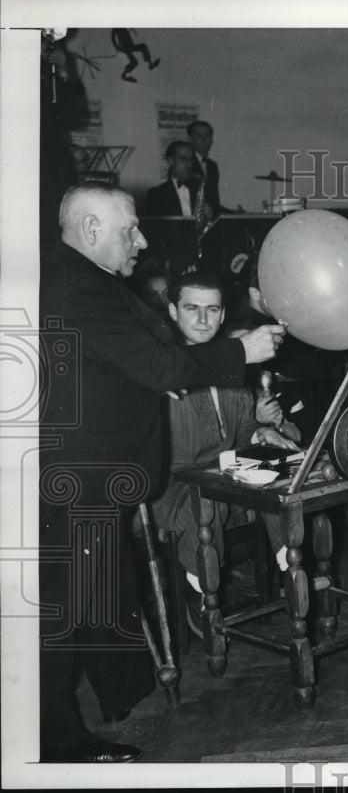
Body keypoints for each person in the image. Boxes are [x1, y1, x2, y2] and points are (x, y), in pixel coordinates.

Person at [39, 182, 284, 762]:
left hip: (91, 476)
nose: (143, 240)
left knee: (89, 601)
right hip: (77, 475)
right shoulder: (77, 283)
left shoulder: (89, 282)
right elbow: (151, 360)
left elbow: (141, 352)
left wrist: (168, 368)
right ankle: (56, 744)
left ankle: (111, 702)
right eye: (131, 230)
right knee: (57, 612)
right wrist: (237, 352)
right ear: (92, 229)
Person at [150, 271, 301, 632]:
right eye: (192, 308)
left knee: (285, 477)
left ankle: (292, 565)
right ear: (173, 311)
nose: (203, 319)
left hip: (226, 471)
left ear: (221, 315)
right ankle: (201, 592)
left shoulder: (234, 363)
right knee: (206, 500)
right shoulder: (159, 364)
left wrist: (262, 430)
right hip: (172, 482)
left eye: (212, 309)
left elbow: (244, 426)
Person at [145, 140, 210, 219]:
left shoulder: (200, 189)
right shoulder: (156, 194)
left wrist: (208, 216)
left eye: (190, 159)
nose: (188, 164)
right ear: (170, 161)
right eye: (183, 159)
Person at [186, 120, 230, 214]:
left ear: (212, 140)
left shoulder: (212, 166)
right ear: (190, 139)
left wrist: (234, 213)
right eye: (199, 136)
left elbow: (214, 203)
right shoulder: (185, 164)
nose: (204, 140)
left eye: (207, 136)